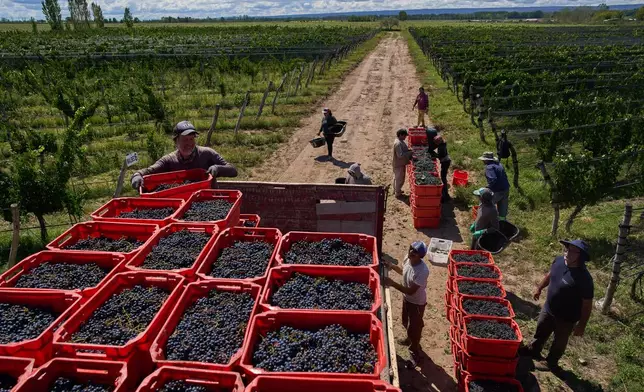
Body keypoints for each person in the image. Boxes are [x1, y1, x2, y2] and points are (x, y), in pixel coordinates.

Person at [527, 240, 594, 371]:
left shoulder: (584, 279)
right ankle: (533, 350)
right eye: (567, 248)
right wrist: (539, 287)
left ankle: (551, 362)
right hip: (549, 308)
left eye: (572, 251)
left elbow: (587, 305)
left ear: (581, 257)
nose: (567, 252)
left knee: (559, 341)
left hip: (566, 318)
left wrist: (581, 325)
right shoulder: (558, 261)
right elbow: (550, 275)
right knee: (541, 330)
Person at [130, 120, 238, 190]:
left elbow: (233, 170)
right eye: (185, 140)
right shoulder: (169, 160)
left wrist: (217, 168)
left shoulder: (207, 153)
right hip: (181, 206)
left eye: (191, 139)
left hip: (209, 201)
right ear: (176, 141)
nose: (189, 143)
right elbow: (150, 171)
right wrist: (137, 175)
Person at [383, 241, 430, 363]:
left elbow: (411, 291)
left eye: (414, 252)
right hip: (406, 299)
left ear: (420, 256)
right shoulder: (407, 258)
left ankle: (415, 349)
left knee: (415, 327)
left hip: (416, 303)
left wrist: (393, 283)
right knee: (405, 321)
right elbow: (403, 271)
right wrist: (392, 266)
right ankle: (408, 338)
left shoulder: (422, 271)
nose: (411, 253)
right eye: (411, 249)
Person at [478, 151, 510, 221]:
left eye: (483, 160)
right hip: (505, 189)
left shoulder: (489, 167)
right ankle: (502, 223)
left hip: (497, 191)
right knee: (503, 208)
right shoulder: (499, 164)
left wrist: (487, 188)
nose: (483, 161)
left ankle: (483, 222)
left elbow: (493, 179)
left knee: (485, 205)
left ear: (486, 160)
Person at [428, 135, 451, 202]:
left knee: (443, 178)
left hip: (445, 162)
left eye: (436, 142)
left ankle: (445, 195)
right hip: (446, 161)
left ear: (439, 142)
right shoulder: (443, 144)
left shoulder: (441, 147)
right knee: (443, 177)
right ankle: (445, 193)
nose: (436, 144)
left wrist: (434, 154)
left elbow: (440, 156)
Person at [393, 129, 413, 198]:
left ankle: (397, 190)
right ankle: (397, 194)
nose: (405, 137)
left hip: (400, 164)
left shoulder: (400, 141)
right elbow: (400, 155)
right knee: (399, 179)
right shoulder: (398, 143)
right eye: (404, 136)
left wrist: (409, 150)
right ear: (401, 135)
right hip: (399, 164)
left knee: (398, 178)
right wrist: (409, 153)